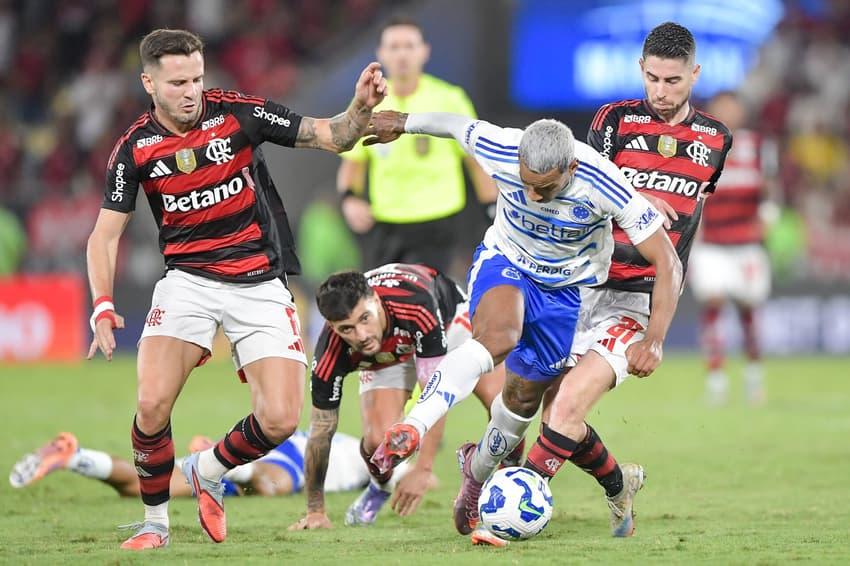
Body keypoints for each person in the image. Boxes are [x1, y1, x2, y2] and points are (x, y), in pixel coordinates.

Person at [85, 29, 386, 550]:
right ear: (149, 83)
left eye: (198, 78)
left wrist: (358, 109)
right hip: (187, 282)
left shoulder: (238, 113)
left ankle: (206, 469)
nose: (191, 91)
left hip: (259, 282)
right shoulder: (136, 147)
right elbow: (103, 236)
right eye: (178, 81)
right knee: (152, 405)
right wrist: (103, 305)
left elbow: (332, 135)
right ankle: (156, 525)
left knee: (279, 419)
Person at [364, 106, 681, 538]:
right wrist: (400, 122)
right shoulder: (502, 146)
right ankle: (414, 424)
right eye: (526, 185)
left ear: (570, 168)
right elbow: (455, 124)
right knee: (498, 337)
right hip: (506, 261)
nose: (533, 196)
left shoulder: (603, 180)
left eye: (545, 188)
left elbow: (667, 260)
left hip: (565, 293)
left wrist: (657, 339)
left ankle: (475, 475)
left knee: (520, 407)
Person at [521, 21, 733, 539]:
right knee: (550, 410)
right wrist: (634, 204)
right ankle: (620, 484)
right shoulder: (612, 122)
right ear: (641, 69)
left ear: (695, 74)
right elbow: (575, 199)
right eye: (654, 79)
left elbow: (682, 240)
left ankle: (515, 505)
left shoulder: (715, 140)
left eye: (674, 81)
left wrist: (656, 335)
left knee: (567, 407)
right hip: (581, 283)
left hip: (635, 300)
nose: (661, 92)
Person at [288, 263, 512, 531]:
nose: (360, 336)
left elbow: (437, 393)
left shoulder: (415, 305)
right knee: (376, 443)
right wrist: (315, 511)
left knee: (501, 404)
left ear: (375, 301)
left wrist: (423, 469)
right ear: (332, 326)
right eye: (346, 329)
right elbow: (320, 433)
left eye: (364, 319)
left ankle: (507, 484)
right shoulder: (331, 352)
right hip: (391, 353)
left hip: (449, 324)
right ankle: (379, 487)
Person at [337, 17, 497, 272]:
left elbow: (476, 160)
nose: (402, 54)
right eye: (394, 46)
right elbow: (353, 161)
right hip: (385, 221)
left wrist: (492, 208)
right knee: (383, 302)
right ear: (381, 53)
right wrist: (349, 198)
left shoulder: (449, 99)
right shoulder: (367, 103)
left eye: (409, 46)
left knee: (430, 300)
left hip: (438, 220)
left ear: (424, 52)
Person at [688, 91, 774, 406]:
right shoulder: (700, 145)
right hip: (711, 245)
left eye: (732, 107)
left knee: (748, 307)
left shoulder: (758, 146)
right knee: (713, 303)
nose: (727, 112)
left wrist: (768, 216)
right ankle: (716, 379)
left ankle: (754, 376)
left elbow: (770, 189)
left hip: (746, 243)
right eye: (721, 107)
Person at [10, 431, 369, 498]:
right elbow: (421, 480)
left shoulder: (356, 443)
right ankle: (227, 462)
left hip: (271, 444)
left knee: (145, 487)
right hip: (291, 454)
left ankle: (73, 455)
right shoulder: (366, 455)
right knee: (275, 485)